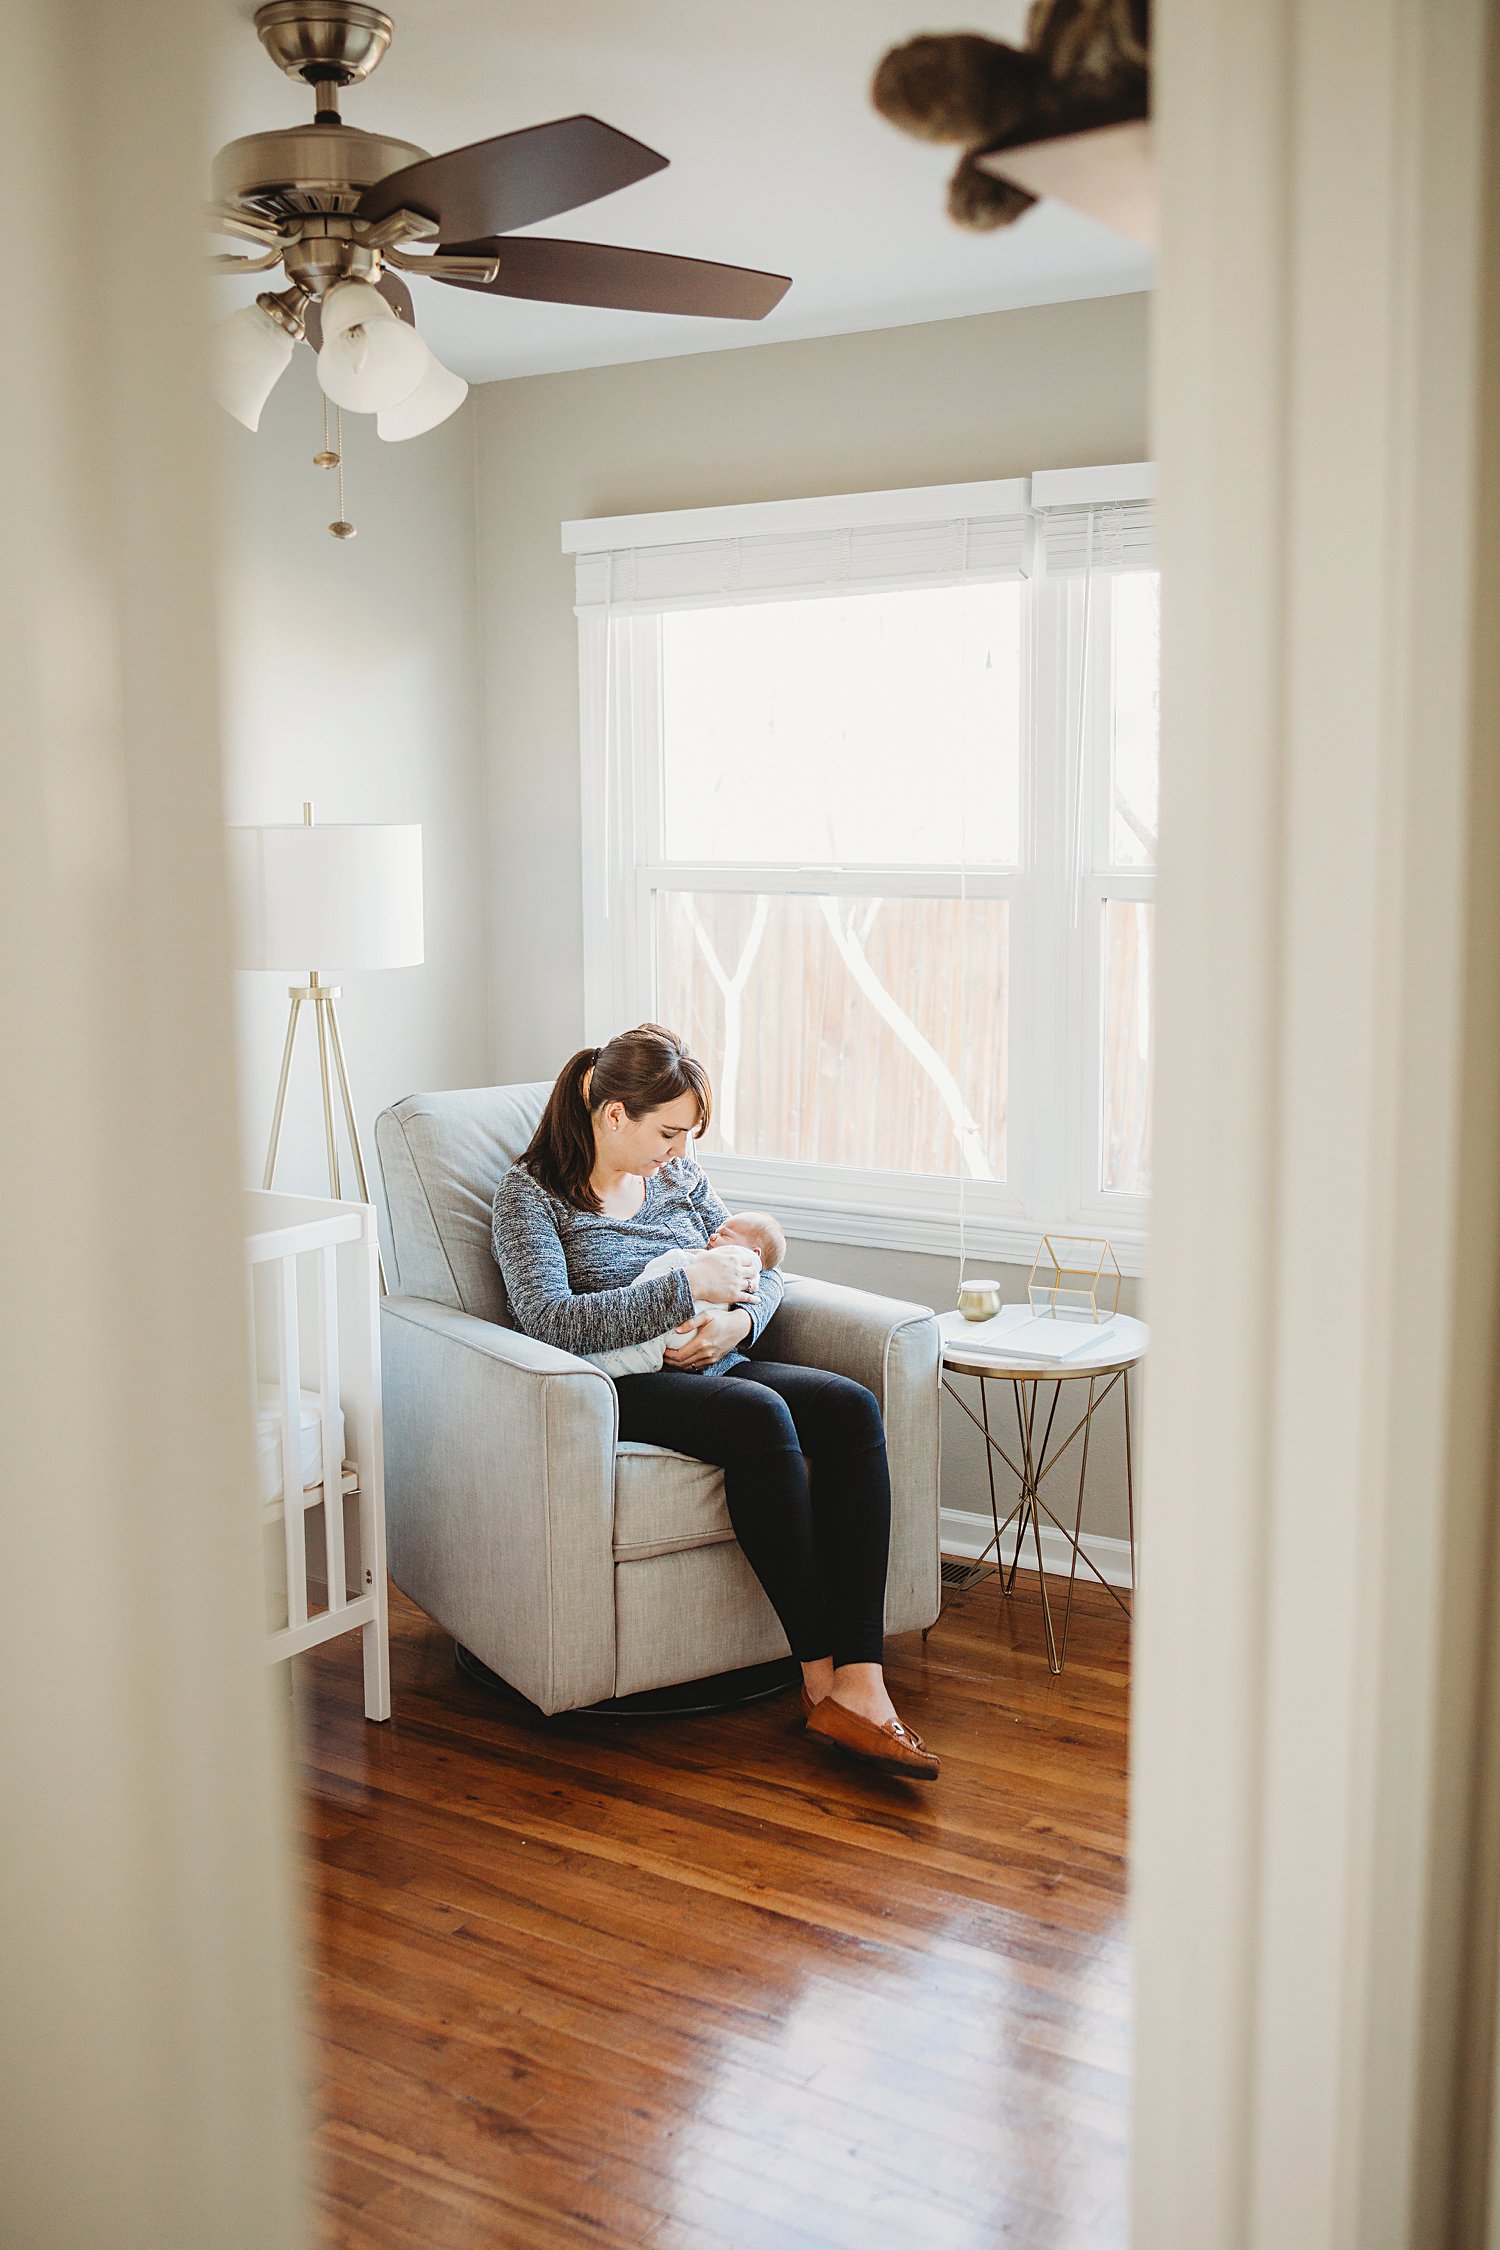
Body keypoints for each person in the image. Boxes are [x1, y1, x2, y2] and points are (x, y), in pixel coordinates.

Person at [490, 1023, 939, 1780]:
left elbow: (762, 1270)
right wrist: (684, 1289)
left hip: (716, 1358)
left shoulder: (679, 1179)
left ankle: (865, 1678)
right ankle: (820, 1677)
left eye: (689, 1134)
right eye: (668, 1132)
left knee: (849, 1408)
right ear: (613, 1115)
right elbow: (551, 1322)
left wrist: (734, 1319)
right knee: (761, 1419)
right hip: (620, 1385)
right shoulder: (529, 1198)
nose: (679, 1151)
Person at [584, 1209, 787, 1378]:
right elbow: (554, 1319)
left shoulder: (683, 1177)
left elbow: (768, 1266)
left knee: (817, 1393)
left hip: (722, 1364)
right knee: (764, 1408)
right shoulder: (555, 1203)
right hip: (647, 1374)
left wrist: (742, 1322)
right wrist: (694, 1281)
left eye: (723, 1235)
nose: (713, 1236)